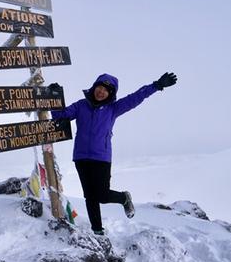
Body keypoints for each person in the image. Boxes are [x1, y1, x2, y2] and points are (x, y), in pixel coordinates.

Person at [50, 72, 177, 235]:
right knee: (90, 196)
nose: (101, 92)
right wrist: (54, 98)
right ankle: (97, 230)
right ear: (94, 87)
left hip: (101, 158)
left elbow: (135, 98)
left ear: (111, 94)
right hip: (81, 157)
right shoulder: (81, 105)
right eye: (99, 87)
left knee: (102, 195)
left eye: (106, 90)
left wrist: (156, 86)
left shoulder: (113, 109)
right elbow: (60, 116)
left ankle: (123, 198)